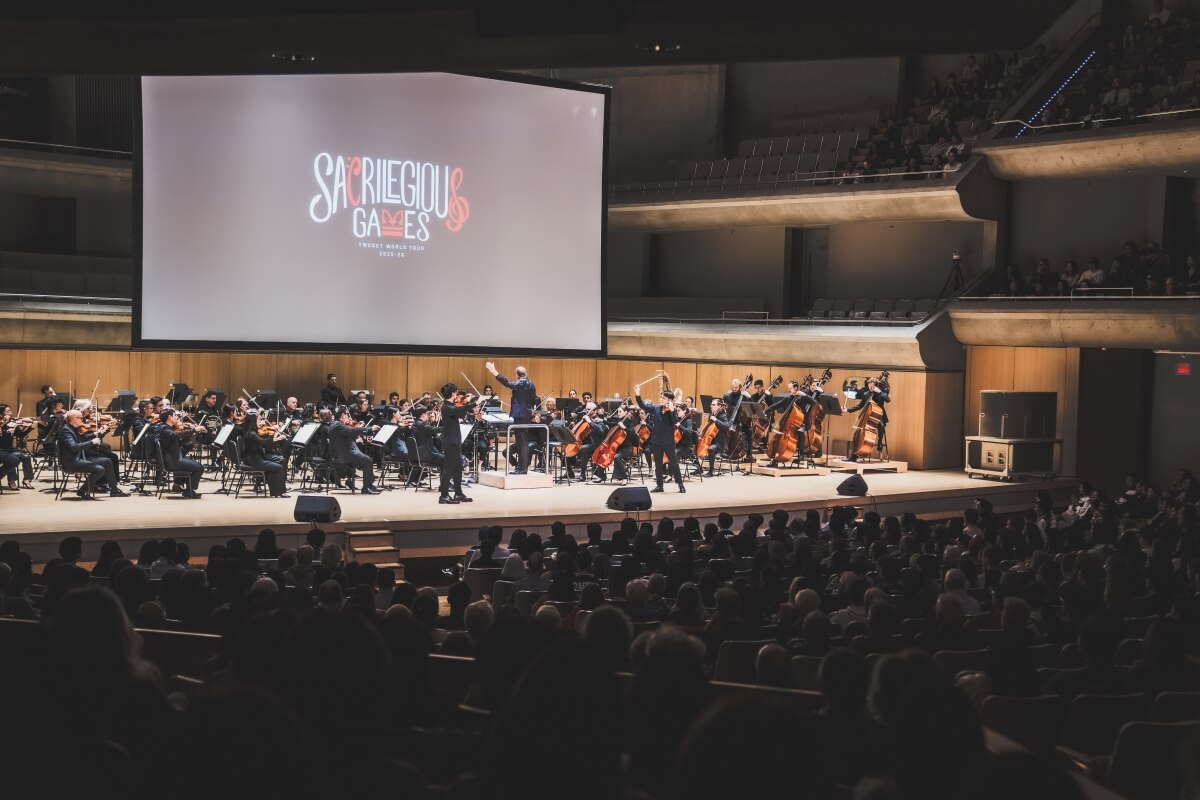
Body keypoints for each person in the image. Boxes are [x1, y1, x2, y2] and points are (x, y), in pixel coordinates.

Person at [58, 410, 129, 498]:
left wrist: (94, 434)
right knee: (100, 469)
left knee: (107, 461)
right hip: (72, 462)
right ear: (74, 419)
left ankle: (114, 490)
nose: (82, 420)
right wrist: (92, 442)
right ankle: (83, 490)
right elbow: (73, 447)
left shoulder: (72, 428)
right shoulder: (66, 431)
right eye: (81, 418)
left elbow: (81, 438)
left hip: (78, 457)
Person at [485, 361, 536, 474]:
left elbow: (508, 383)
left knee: (522, 443)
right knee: (522, 442)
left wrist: (494, 371)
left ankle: (522, 469)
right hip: (525, 415)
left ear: (517, 374)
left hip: (520, 415)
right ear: (525, 373)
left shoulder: (521, 382)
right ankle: (522, 467)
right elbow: (534, 399)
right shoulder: (531, 384)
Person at [635, 383, 685, 494]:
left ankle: (680, 484)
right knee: (658, 465)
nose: (661, 399)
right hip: (656, 442)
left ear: (669, 400)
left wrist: (672, 411)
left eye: (663, 398)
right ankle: (659, 486)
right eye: (661, 397)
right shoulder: (656, 409)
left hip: (668, 442)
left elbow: (674, 422)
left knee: (674, 464)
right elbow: (643, 405)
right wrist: (638, 394)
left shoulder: (673, 411)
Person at [436, 383, 476, 504]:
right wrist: (473, 403)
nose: (457, 394)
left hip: (455, 440)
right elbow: (459, 410)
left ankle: (458, 493)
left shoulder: (451, 406)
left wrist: (465, 404)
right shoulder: (446, 407)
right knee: (448, 469)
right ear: (453, 393)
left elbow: (461, 413)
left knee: (458, 468)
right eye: (456, 392)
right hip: (451, 441)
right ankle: (443, 496)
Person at [327, 406, 381, 494]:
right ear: (343, 415)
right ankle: (367, 487)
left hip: (343, 452)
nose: (348, 416)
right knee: (368, 461)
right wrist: (370, 428)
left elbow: (347, 435)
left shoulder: (335, 425)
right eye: (347, 414)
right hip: (346, 454)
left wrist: (360, 436)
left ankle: (369, 485)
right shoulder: (338, 425)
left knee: (367, 459)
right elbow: (352, 431)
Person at [155, 409, 204, 498]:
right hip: (173, 461)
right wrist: (193, 430)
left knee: (196, 466)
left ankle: (189, 490)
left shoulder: (166, 428)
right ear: (170, 417)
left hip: (175, 458)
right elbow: (177, 436)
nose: (177, 418)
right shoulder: (164, 429)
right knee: (199, 467)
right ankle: (189, 490)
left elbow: (178, 442)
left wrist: (194, 433)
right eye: (175, 416)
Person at [241, 411, 289, 497]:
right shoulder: (252, 434)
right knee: (279, 468)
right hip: (255, 461)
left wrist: (275, 437)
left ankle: (276, 491)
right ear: (253, 421)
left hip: (255, 458)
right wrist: (276, 438)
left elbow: (264, 443)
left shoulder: (250, 431)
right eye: (259, 420)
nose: (261, 422)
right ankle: (279, 492)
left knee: (279, 462)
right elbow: (264, 443)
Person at [843, 375, 889, 462]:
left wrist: (879, 392)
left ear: (875, 385)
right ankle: (854, 456)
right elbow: (860, 406)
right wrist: (848, 409)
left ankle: (880, 441)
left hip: (879, 416)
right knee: (856, 433)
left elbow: (888, 399)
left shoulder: (880, 392)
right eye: (869, 384)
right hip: (868, 417)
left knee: (881, 425)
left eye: (872, 384)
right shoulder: (866, 394)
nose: (870, 386)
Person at [0, 404, 35, 489]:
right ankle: (11, 481)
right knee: (12, 459)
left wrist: (30, 428)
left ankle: (27, 480)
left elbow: (21, 435)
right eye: (7, 411)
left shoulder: (12, 424)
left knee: (26, 456)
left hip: (10, 449)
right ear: (1, 414)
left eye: (10, 411)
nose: (10, 413)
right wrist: (3, 423)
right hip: (1, 450)